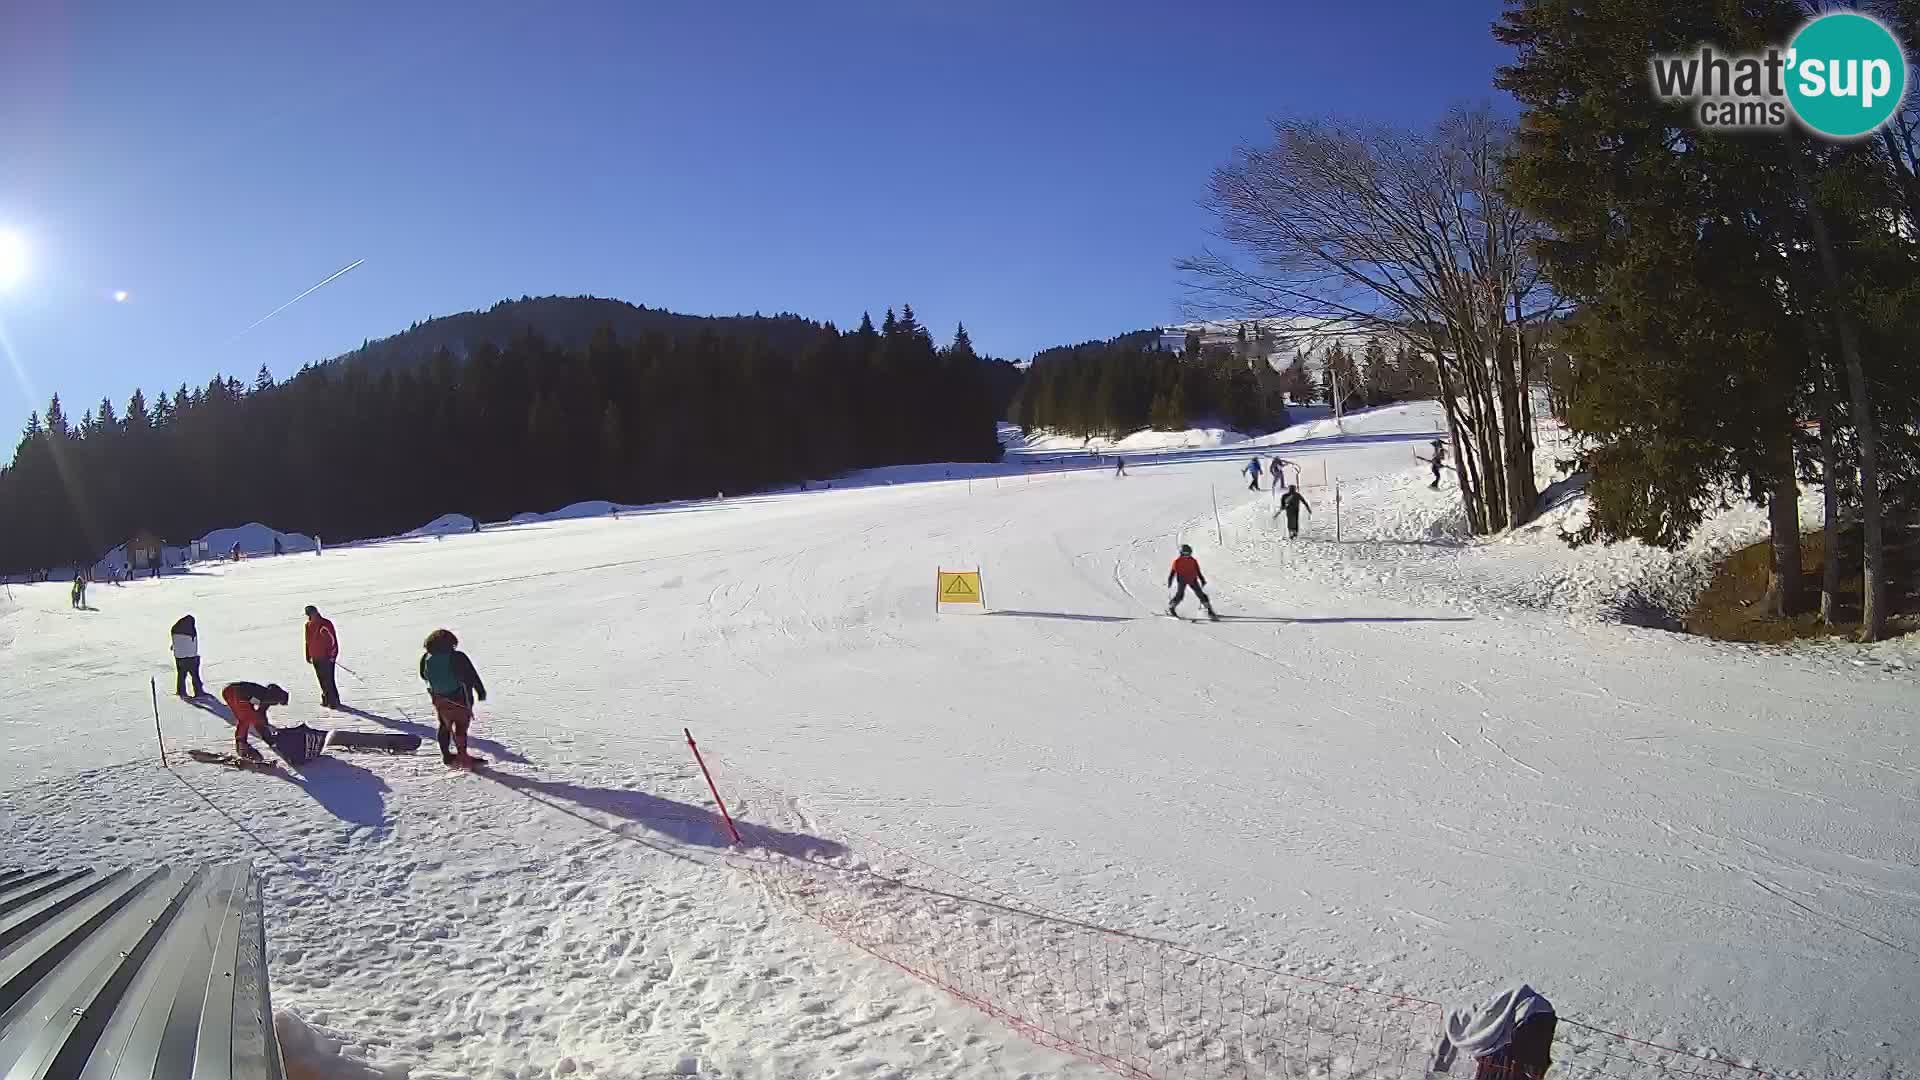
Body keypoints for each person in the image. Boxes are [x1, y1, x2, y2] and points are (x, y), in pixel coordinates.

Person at [420, 629, 488, 766]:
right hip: (459, 698)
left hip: (440, 700)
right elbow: (471, 675)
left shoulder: (426, 658)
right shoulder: (457, 657)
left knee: (444, 726)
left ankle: (446, 756)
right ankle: (463, 757)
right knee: (461, 727)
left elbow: (423, 675)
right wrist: (480, 691)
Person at [221, 681, 288, 760]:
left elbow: (260, 716)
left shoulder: (267, 695)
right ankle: (241, 745)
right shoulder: (267, 698)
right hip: (233, 692)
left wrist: (268, 737)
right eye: (279, 702)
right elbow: (259, 716)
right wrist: (268, 737)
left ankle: (242, 743)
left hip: (235, 693)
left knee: (250, 717)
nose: (277, 704)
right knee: (246, 719)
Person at [303, 605, 342, 708]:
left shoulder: (325, 624)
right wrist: (308, 654)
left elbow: (333, 641)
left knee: (329, 679)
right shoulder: (308, 625)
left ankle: (333, 701)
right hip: (315, 656)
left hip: (327, 657)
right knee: (321, 679)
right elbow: (308, 642)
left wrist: (332, 655)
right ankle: (326, 699)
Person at [1166, 543, 1217, 619]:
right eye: (1185, 553)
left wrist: (1202, 579)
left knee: (1201, 595)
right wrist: (1170, 580)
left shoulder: (1193, 561)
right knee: (1180, 595)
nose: (1187, 555)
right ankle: (1171, 607)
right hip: (1182, 580)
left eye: (1188, 553)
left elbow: (1198, 571)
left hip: (1192, 580)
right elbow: (1172, 572)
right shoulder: (1177, 561)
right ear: (1181, 553)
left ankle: (1210, 611)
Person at [171, 614, 206, 697]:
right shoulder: (191, 632)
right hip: (191, 657)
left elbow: (175, 644)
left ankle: (181, 692)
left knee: (181, 676)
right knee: (195, 675)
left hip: (179, 657)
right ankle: (199, 692)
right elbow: (193, 644)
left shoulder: (175, 630)